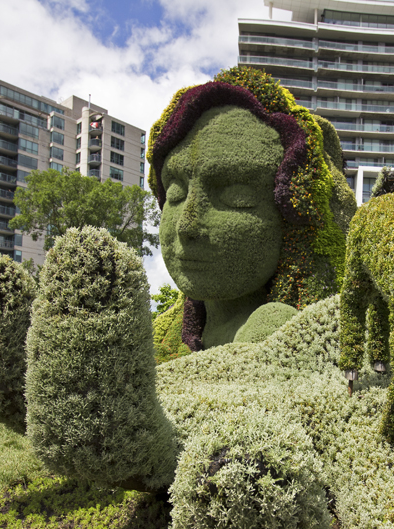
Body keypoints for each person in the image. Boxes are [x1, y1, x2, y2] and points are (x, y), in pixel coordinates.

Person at [147, 67, 355, 355]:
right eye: (175, 192)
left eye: (236, 195)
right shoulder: (156, 338)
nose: (187, 224)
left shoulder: (295, 333)